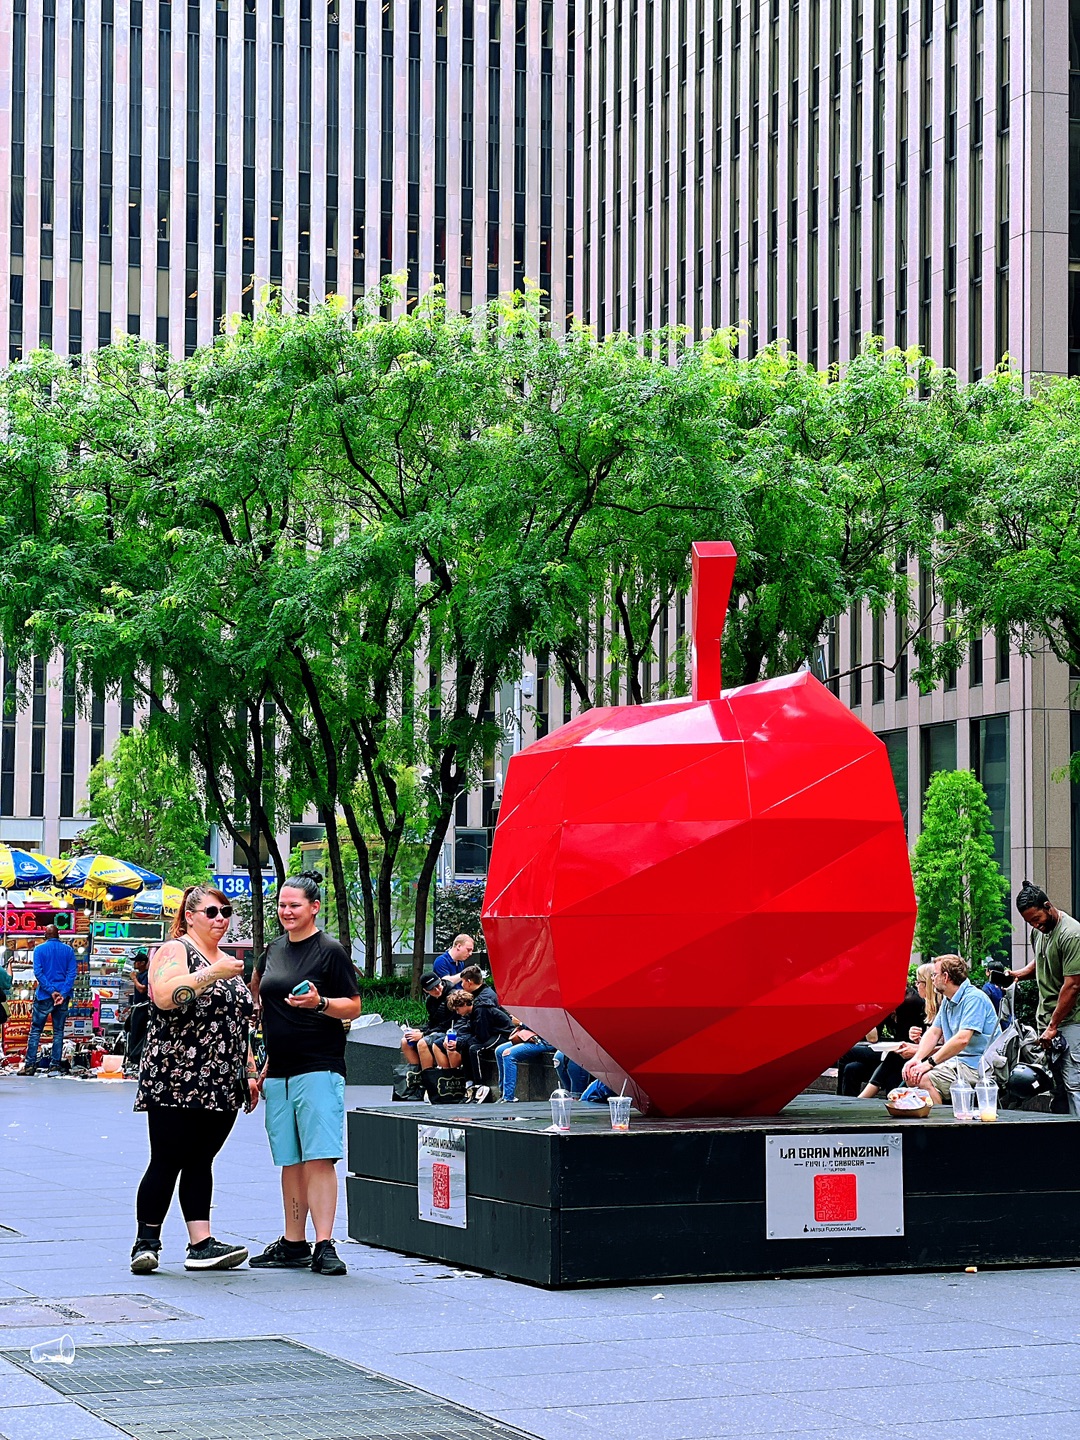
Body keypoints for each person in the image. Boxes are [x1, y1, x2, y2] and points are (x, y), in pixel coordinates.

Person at [131, 884, 256, 1275]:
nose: (221, 919)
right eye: (212, 912)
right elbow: (164, 996)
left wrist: (249, 1069)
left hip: (221, 1077)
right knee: (167, 1158)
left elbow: (239, 1023)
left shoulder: (226, 961)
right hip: (177, 1074)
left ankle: (201, 1244)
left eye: (226, 911)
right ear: (190, 915)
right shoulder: (176, 950)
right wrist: (212, 972)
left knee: (202, 1160)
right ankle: (145, 1243)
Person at [250, 872, 361, 1276]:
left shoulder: (330, 950)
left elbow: (353, 1006)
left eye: (295, 905)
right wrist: (262, 1065)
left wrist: (320, 1003)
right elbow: (263, 1003)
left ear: (314, 907)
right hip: (278, 1069)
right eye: (282, 904)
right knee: (290, 1160)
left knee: (319, 1158)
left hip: (319, 1065)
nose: (286, 911)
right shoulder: (274, 950)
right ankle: (293, 1243)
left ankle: (324, 1244)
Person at [1010, 879, 1080, 1113]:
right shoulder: (1039, 933)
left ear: (1048, 906)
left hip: (1071, 1022)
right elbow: (1042, 960)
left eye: (1037, 919)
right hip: (1049, 1024)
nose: (1035, 926)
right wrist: (1018, 975)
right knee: (1057, 1087)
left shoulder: (1071, 935)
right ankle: (1062, 1140)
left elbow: (1072, 986)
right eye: (1030, 922)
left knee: (1074, 1084)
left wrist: (1053, 1025)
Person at [901, 954, 1000, 1104]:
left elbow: (962, 1039)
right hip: (958, 1062)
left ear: (945, 977)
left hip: (978, 1066)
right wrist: (916, 1059)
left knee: (921, 1078)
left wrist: (928, 1064)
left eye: (934, 975)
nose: (932, 979)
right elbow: (933, 1033)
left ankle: (941, 1125)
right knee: (912, 1074)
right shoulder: (949, 999)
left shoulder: (974, 998)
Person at [856, 965, 937, 1099]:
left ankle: (859, 1099)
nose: (916, 986)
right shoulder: (929, 1006)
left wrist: (916, 1045)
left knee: (847, 1054)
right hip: (902, 1050)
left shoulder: (911, 1002)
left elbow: (944, 1043)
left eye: (919, 982)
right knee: (852, 1068)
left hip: (910, 1053)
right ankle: (849, 1100)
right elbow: (873, 1038)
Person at [22, 924, 78, 1076]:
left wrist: (51, 991)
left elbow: (38, 973)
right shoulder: (68, 950)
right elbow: (72, 973)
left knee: (36, 1031)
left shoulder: (39, 950)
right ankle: (54, 1065)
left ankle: (30, 1065)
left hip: (44, 996)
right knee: (58, 1032)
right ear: (58, 935)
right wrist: (62, 993)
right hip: (62, 997)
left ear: (45, 935)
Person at [401, 973, 453, 1072]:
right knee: (405, 1041)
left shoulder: (452, 995)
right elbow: (432, 1021)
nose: (437, 990)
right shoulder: (430, 1001)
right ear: (426, 990)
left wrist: (423, 1034)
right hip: (437, 1030)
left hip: (449, 1031)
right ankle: (416, 1075)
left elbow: (448, 1024)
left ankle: (428, 1078)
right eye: (432, 989)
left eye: (438, 985)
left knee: (422, 1043)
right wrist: (420, 1030)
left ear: (440, 980)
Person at [494, 1024, 555, 1102]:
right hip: (531, 1038)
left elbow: (541, 1026)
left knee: (508, 1054)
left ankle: (508, 1097)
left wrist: (520, 1023)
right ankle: (503, 1093)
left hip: (545, 1041)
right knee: (499, 1051)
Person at [124, 950, 151, 1072]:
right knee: (132, 1031)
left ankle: (137, 1057)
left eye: (137, 962)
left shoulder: (146, 975)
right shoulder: (140, 974)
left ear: (142, 963)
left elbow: (142, 989)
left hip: (143, 1007)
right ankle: (132, 1057)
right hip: (136, 1006)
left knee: (139, 1033)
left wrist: (134, 979)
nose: (135, 964)